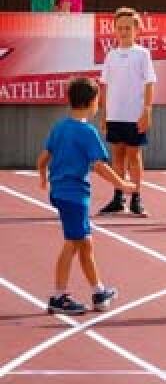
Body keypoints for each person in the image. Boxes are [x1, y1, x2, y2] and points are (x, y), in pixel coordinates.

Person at [37, 77, 134, 314]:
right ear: (92, 102)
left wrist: (43, 178)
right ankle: (58, 296)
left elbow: (43, 158)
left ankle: (98, 291)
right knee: (72, 243)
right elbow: (99, 165)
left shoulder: (60, 127)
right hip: (74, 196)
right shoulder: (87, 132)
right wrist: (122, 184)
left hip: (60, 192)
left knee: (85, 242)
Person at [97, 7, 156, 217]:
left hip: (134, 115)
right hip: (115, 115)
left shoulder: (142, 54)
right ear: (114, 30)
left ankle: (136, 198)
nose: (123, 32)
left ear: (136, 30)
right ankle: (118, 197)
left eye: (127, 28)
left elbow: (149, 83)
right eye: (120, 28)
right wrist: (104, 114)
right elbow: (105, 85)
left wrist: (147, 110)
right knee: (117, 156)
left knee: (134, 155)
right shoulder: (111, 55)